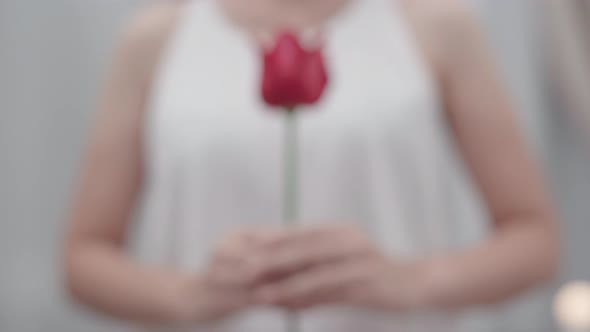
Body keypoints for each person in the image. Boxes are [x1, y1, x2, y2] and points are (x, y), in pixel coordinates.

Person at [64, 0, 559, 331]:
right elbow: (84, 257)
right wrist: (189, 295)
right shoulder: (155, 38)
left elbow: (535, 240)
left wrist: (409, 280)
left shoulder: (435, 24)